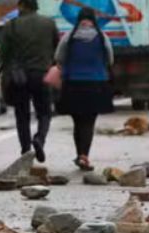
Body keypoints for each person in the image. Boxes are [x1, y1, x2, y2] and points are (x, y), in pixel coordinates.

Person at [55, 8, 115, 171]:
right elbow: (110, 59)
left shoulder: (69, 37)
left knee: (78, 121)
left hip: (73, 84)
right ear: (93, 19)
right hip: (95, 84)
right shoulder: (102, 37)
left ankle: (80, 154)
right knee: (89, 122)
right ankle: (84, 155)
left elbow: (59, 58)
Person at [1, 0, 59, 163]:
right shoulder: (49, 23)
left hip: (19, 77)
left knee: (22, 115)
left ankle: (26, 150)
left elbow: (4, 54)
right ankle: (40, 138)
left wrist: (5, 75)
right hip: (42, 73)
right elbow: (57, 48)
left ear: (21, 6)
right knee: (45, 113)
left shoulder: (11, 26)